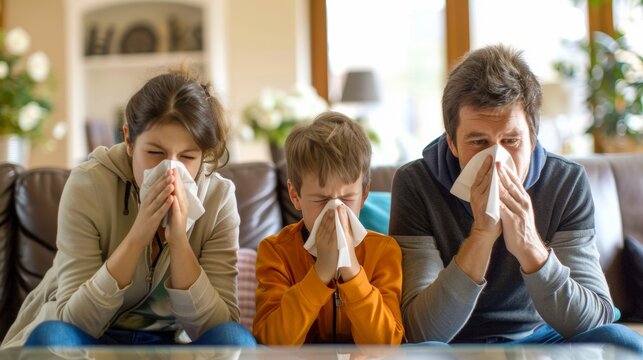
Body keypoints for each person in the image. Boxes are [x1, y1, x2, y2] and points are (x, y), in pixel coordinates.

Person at [389, 44, 642, 353]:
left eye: (511, 141)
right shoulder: (416, 183)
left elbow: (595, 320)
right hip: (451, 344)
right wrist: (481, 236)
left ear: (533, 139)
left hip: (540, 335)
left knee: (623, 343)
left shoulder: (565, 182)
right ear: (452, 143)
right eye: (478, 141)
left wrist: (530, 247)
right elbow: (420, 329)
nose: (496, 159)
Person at [1, 70, 256, 348]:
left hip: (169, 343)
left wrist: (179, 242)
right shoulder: (88, 184)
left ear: (203, 156)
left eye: (187, 157)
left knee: (236, 340)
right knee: (51, 339)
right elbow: (74, 320)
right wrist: (137, 238)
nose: (171, 169)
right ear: (129, 141)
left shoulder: (219, 198)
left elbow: (218, 326)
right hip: (91, 339)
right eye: (155, 153)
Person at [253, 111, 404, 345]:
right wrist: (321, 272)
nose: (334, 211)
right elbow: (273, 343)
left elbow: (385, 344)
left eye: (346, 198)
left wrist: (352, 270)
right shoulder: (276, 252)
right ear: (295, 196)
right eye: (322, 200)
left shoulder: (383, 251)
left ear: (364, 195)